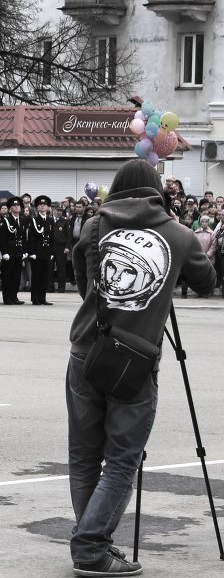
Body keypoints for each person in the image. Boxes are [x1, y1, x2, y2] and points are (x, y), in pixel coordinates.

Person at [66, 159, 215, 577]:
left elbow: (81, 272)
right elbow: (207, 282)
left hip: (85, 349)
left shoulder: (95, 225)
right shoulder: (179, 234)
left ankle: (89, 535)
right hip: (135, 357)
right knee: (121, 460)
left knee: (84, 455)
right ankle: (91, 546)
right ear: (158, 192)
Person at [0, 196, 27, 305]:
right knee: (7, 276)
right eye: (14, 206)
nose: (16, 207)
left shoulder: (22, 221)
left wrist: (24, 251)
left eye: (18, 205)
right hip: (9, 252)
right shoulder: (6, 220)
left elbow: (24, 237)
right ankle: (7, 298)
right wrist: (4, 252)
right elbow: (3, 238)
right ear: (10, 209)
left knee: (16, 276)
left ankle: (14, 296)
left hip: (19, 251)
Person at [28, 195, 55, 305]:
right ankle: (35, 298)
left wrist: (52, 252)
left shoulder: (50, 220)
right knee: (36, 276)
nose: (43, 206)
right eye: (40, 205)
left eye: (45, 205)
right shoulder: (34, 220)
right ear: (37, 208)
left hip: (47, 251)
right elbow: (31, 238)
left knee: (45, 276)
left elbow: (52, 237)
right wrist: (32, 252)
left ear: (48, 207)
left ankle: (42, 298)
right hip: (37, 252)